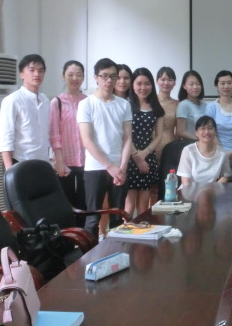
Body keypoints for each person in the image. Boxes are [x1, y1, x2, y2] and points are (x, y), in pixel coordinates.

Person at [77, 58, 133, 236]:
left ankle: (117, 252)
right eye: (104, 76)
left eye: (113, 76)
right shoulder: (86, 104)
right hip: (95, 168)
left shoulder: (124, 104)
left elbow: (127, 138)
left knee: (117, 217)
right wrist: (110, 166)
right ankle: (90, 252)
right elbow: (87, 140)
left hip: (119, 168)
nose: (109, 80)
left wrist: (122, 167)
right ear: (96, 77)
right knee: (93, 219)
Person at [0, 54, 50, 170]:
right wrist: (9, 169)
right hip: (19, 162)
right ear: (21, 74)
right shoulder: (12, 100)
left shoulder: (45, 100)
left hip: (42, 162)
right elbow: (5, 137)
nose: (37, 74)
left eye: (41, 71)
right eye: (31, 70)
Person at [125, 67, 165, 218]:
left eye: (147, 83)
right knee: (128, 208)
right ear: (133, 85)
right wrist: (137, 156)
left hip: (148, 158)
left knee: (143, 207)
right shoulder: (126, 106)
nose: (143, 87)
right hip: (129, 157)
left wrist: (145, 153)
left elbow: (159, 136)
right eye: (139, 84)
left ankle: (142, 232)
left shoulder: (157, 108)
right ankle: (126, 232)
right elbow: (125, 135)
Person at [49, 60, 87, 211]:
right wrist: (59, 160)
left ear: (83, 77)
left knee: (85, 204)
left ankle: (83, 228)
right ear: (63, 76)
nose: (74, 78)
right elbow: (54, 134)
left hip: (86, 162)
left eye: (78, 75)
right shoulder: (56, 102)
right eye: (70, 74)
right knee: (67, 204)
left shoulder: (88, 101)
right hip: (65, 161)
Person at [206, 70, 232, 169]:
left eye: (229, 83)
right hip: (216, 151)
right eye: (222, 83)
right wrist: (223, 152)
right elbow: (209, 132)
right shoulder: (211, 107)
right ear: (216, 86)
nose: (226, 86)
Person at [177, 116, 232, 186]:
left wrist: (215, 188)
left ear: (215, 131)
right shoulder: (188, 151)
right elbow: (186, 182)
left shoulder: (222, 153)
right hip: (189, 191)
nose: (206, 132)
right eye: (202, 128)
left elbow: (225, 175)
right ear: (196, 132)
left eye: (210, 128)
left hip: (212, 191)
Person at [176, 70, 207, 140]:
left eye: (198, 84)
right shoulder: (183, 105)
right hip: (190, 144)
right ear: (184, 86)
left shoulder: (205, 105)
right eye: (191, 84)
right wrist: (199, 140)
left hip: (204, 144)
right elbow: (180, 132)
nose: (195, 87)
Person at [155, 66, 179, 160]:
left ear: (174, 83)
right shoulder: (150, 102)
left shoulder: (178, 104)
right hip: (151, 145)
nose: (166, 83)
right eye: (163, 79)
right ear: (157, 81)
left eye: (170, 80)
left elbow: (179, 130)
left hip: (170, 146)